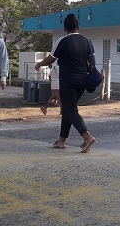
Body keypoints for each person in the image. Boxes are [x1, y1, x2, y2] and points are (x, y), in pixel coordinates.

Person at [33, 14, 96, 153]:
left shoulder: (63, 40)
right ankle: (62, 140)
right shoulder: (87, 41)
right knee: (70, 108)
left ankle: (87, 137)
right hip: (83, 80)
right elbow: (92, 63)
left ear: (65, 28)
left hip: (68, 80)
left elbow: (51, 59)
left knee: (69, 109)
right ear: (78, 27)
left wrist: (39, 64)